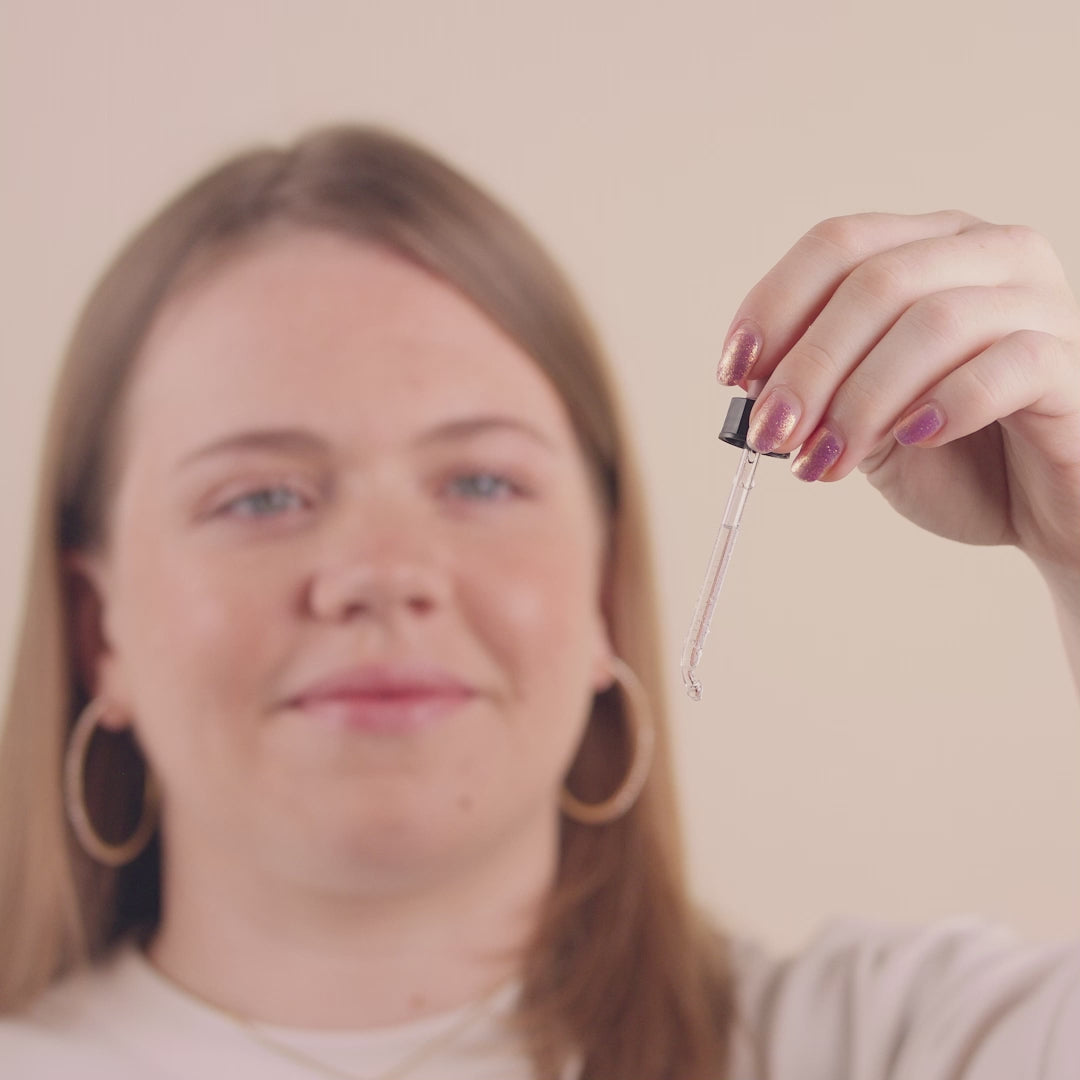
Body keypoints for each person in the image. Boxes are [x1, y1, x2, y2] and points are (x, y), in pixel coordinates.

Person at [0, 126, 1076, 1080]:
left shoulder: (895, 1046)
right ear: (101, 632)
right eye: (262, 496)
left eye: (480, 483)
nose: (386, 571)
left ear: (606, 589)